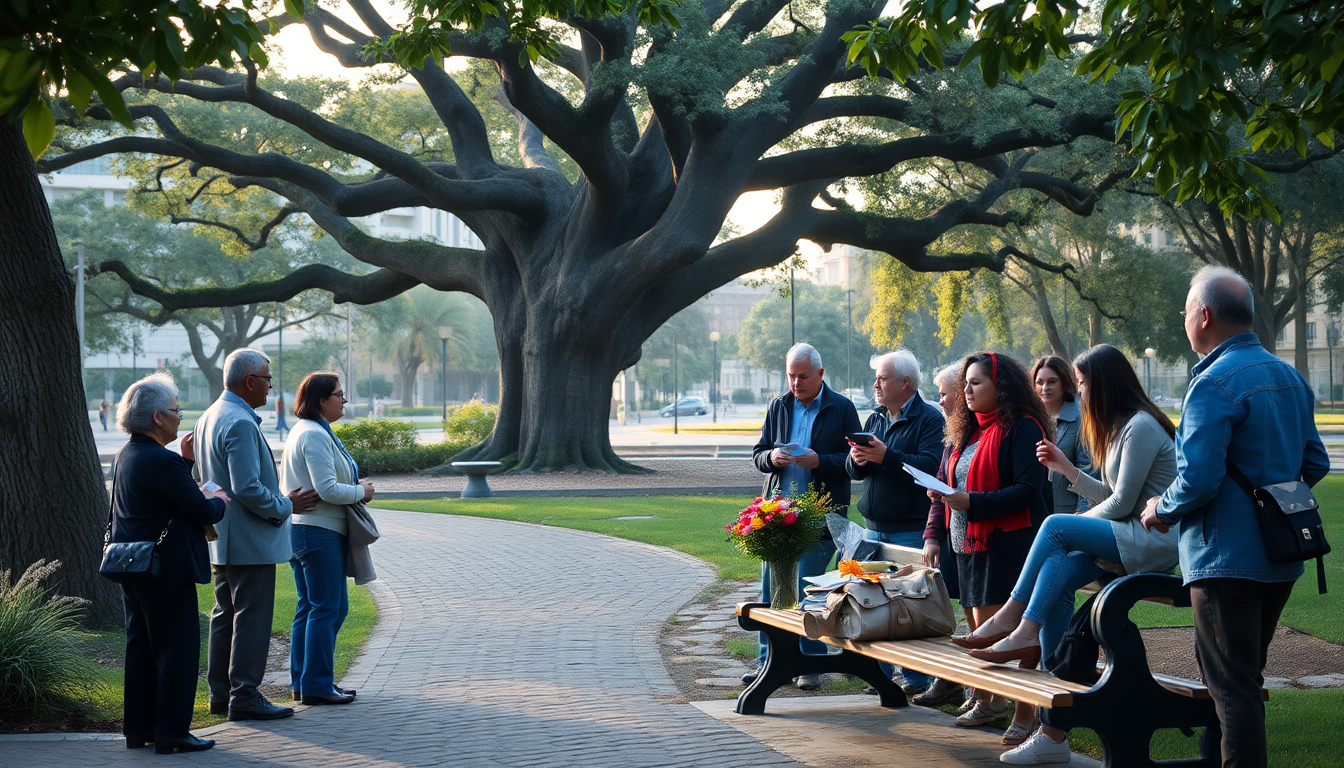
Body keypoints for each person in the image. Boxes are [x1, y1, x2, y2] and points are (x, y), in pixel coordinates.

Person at [1140, 266, 1329, 768]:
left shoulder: (1213, 383)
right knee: (1238, 682)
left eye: (1185, 310)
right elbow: (1315, 463)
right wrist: (1272, 499)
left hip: (1224, 559)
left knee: (1232, 690)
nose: (1183, 318)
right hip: (1282, 555)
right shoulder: (1289, 376)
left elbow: (1199, 479)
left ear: (1203, 316)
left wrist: (1159, 508)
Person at [960, 345, 1179, 763]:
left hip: (1151, 540)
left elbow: (1120, 505)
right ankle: (1051, 726)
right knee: (1060, 572)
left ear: (1104, 383)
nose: (1078, 392)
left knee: (1056, 527)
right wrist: (1067, 469)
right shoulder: (1119, 427)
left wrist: (1076, 528)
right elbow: (1114, 496)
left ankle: (1015, 621)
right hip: (1127, 533)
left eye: (1081, 383)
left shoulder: (1142, 427)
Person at [194, 349, 320, 721]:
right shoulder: (240, 421)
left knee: (225, 615)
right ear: (250, 382)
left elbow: (209, 480)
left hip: (223, 537)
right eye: (267, 380)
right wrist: (284, 506)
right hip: (250, 539)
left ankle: (222, 695)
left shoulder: (209, 416)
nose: (270, 387)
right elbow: (247, 487)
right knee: (250, 617)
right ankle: (245, 696)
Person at [930, 352, 1053, 729]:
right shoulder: (965, 428)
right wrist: (941, 493)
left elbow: (1027, 491)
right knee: (977, 631)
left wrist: (970, 502)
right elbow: (952, 474)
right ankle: (987, 699)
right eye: (965, 383)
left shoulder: (1024, 427)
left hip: (1007, 543)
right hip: (965, 541)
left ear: (1000, 387)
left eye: (976, 382)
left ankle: (1024, 712)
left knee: (1008, 637)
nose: (966, 389)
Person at [111, 373, 229, 754]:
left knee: (142, 648)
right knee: (176, 652)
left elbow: (161, 500)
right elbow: (201, 508)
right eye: (177, 410)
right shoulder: (162, 462)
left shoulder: (126, 455)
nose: (181, 417)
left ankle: (140, 729)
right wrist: (220, 500)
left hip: (133, 566)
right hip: (166, 569)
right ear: (158, 418)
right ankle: (172, 732)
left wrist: (184, 463)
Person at [744, 342, 861, 689]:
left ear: (821, 374)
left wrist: (820, 461)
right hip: (777, 515)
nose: (796, 384)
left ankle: (809, 665)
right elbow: (758, 453)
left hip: (820, 518)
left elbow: (855, 462)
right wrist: (773, 458)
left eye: (803, 377)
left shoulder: (842, 408)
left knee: (806, 590)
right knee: (772, 590)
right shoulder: (778, 406)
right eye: (791, 376)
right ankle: (768, 661)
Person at [845, 350, 945, 697]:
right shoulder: (874, 418)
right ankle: (881, 675)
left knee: (911, 603)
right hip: (873, 525)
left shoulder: (931, 419)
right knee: (876, 603)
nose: (875, 384)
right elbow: (855, 470)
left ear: (905, 383)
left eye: (883, 378)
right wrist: (857, 460)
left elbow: (931, 467)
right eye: (876, 378)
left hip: (909, 525)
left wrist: (887, 457)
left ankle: (917, 678)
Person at [280, 373, 375, 706]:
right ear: (321, 400)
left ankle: (305, 682)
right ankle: (317, 685)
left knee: (312, 608)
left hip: (307, 531)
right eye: (339, 395)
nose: (344, 401)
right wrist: (360, 491)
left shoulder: (309, 431)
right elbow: (327, 489)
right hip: (317, 532)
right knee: (327, 609)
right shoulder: (314, 435)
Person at [909, 363, 972, 710]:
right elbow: (940, 487)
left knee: (973, 616)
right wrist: (932, 534)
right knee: (947, 614)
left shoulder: (980, 433)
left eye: (944, 394)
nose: (940, 401)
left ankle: (979, 689)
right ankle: (946, 681)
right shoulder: (955, 434)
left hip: (977, 538)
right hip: (950, 537)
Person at [1031, 356, 1090, 514]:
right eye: (1040, 382)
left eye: (1052, 382)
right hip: (1033, 510)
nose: (1045, 388)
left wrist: (1084, 511)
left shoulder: (1081, 418)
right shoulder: (1027, 420)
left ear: (1064, 383)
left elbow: (1088, 468)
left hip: (1069, 511)